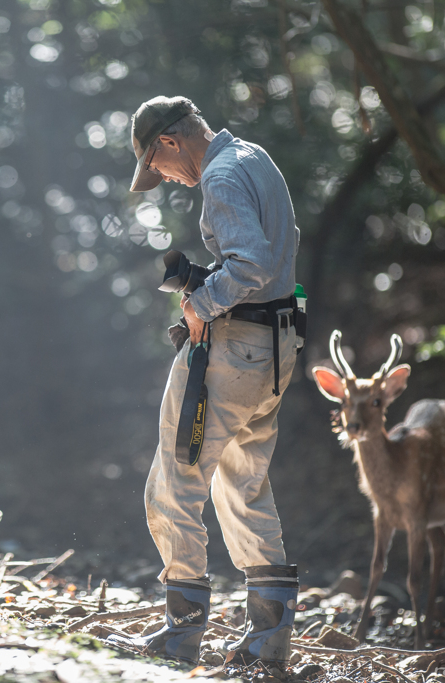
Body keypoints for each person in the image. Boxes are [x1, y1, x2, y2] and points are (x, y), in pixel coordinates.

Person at [108, 96, 301, 665]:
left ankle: (180, 638)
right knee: (243, 484)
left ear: (168, 142)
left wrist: (200, 304)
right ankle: (268, 642)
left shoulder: (218, 175)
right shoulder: (254, 158)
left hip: (233, 347)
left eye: (158, 167)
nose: (165, 177)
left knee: (173, 480)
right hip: (278, 344)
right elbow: (271, 260)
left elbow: (250, 264)